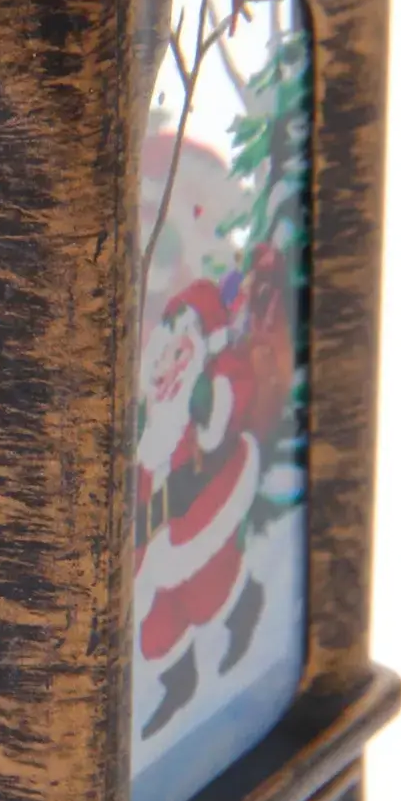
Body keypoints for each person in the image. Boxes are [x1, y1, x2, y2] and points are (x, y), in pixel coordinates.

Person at [134, 280, 267, 737]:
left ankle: (245, 605)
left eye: (181, 343)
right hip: (157, 523)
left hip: (199, 510)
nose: (169, 356)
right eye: (167, 343)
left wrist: (209, 404)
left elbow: (228, 414)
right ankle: (178, 681)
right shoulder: (156, 407)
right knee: (156, 618)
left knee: (208, 586)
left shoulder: (217, 377)